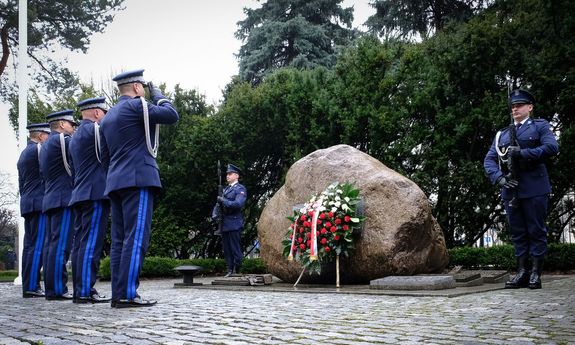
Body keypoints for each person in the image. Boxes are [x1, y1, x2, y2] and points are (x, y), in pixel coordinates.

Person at [99, 69, 179, 308]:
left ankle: (118, 294)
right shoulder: (137, 107)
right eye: (143, 86)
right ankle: (127, 294)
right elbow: (171, 115)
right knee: (136, 239)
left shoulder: (108, 117)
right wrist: (160, 94)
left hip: (115, 182)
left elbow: (105, 157)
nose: (144, 90)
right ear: (136, 88)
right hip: (138, 178)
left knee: (120, 241)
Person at [484, 89, 559, 289]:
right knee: (517, 232)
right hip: (511, 188)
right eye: (513, 106)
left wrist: (524, 153)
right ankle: (521, 272)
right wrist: (499, 178)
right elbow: (490, 159)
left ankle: (535, 273)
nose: (515, 108)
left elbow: (552, 148)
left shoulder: (539, 127)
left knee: (536, 230)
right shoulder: (503, 133)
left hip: (534, 186)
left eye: (519, 105)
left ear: (530, 107)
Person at [68, 97, 110, 303]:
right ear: (96, 113)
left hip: (80, 192)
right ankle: (85, 290)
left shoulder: (74, 136)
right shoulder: (94, 129)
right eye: (103, 112)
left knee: (81, 244)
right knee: (91, 243)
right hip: (95, 193)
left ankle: (80, 289)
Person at [39, 110, 77, 300]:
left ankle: (52, 288)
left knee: (52, 246)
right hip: (63, 198)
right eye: (72, 124)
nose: (73, 128)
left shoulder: (46, 144)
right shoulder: (62, 140)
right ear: (62, 124)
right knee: (61, 246)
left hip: (51, 198)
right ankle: (57, 289)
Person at [17, 123, 50, 298]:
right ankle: (32, 286)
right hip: (38, 203)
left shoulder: (24, 152)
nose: (48, 138)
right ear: (40, 136)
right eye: (47, 135)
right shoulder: (38, 150)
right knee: (38, 246)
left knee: (29, 246)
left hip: (28, 202)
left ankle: (29, 284)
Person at [214, 164, 247, 277]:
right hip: (224, 223)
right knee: (226, 249)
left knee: (235, 248)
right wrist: (215, 213)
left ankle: (237, 269)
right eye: (227, 174)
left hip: (234, 223)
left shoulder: (240, 189)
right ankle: (229, 269)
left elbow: (238, 204)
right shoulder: (226, 189)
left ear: (236, 176)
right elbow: (218, 205)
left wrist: (224, 201)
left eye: (230, 174)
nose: (227, 176)